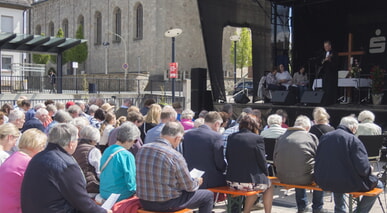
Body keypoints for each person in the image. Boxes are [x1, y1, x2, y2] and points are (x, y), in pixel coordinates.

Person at [21, 123, 110, 213]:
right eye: (77, 140)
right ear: (71, 144)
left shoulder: (37, 157)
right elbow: (81, 201)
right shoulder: (67, 165)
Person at [136, 121, 214, 213]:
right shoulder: (174, 156)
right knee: (208, 195)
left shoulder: (142, 149)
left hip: (145, 202)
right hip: (168, 203)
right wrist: (197, 181)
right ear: (177, 138)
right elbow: (189, 187)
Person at [314, 116, 382, 213]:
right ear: (354, 128)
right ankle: (359, 211)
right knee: (379, 185)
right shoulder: (353, 140)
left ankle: (340, 210)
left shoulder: (325, 137)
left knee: (338, 176)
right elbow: (363, 169)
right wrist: (370, 169)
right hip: (345, 182)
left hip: (323, 180)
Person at [274, 115, 323, 213]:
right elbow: (319, 159)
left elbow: (275, 159)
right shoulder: (311, 137)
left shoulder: (281, 137)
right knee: (318, 172)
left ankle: (302, 207)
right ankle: (317, 208)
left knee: (298, 166)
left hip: (282, 176)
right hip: (303, 178)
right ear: (307, 128)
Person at [226, 114, 273, 213]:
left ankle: (246, 211)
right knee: (268, 185)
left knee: (255, 186)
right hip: (250, 181)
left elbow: (228, 156)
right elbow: (262, 160)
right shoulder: (257, 139)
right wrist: (266, 174)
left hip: (232, 181)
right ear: (255, 125)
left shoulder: (231, 137)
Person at [0, 129, 47, 213]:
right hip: (16, 208)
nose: (43, 149)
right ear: (37, 145)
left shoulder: (12, 157)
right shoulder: (28, 163)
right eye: (43, 146)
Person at [183, 111, 227, 188]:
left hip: (190, 177)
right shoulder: (216, 136)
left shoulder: (187, 134)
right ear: (217, 124)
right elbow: (220, 163)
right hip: (209, 179)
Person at [99, 122, 140, 202]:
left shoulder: (107, 150)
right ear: (130, 139)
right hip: (119, 195)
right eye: (135, 141)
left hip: (104, 192)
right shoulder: (127, 155)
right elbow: (131, 184)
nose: (134, 144)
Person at [73, 126, 102, 196]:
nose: (96, 144)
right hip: (90, 187)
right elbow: (99, 172)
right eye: (96, 142)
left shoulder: (75, 147)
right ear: (92, 140)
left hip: (76, 186)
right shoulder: (93, 151)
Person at [318, 40, 338, 105]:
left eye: (327, 46)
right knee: (324, 88)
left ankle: (331, 102)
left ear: (330, 46)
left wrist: (330, 61)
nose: (325, 48)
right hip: (325, 74)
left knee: (330, 88)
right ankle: (324, 102)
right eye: (324, 46)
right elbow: (321, 64)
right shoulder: (323, 54)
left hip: (332, 74)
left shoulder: (334, 53)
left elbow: (336, 64)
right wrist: (323, 62)